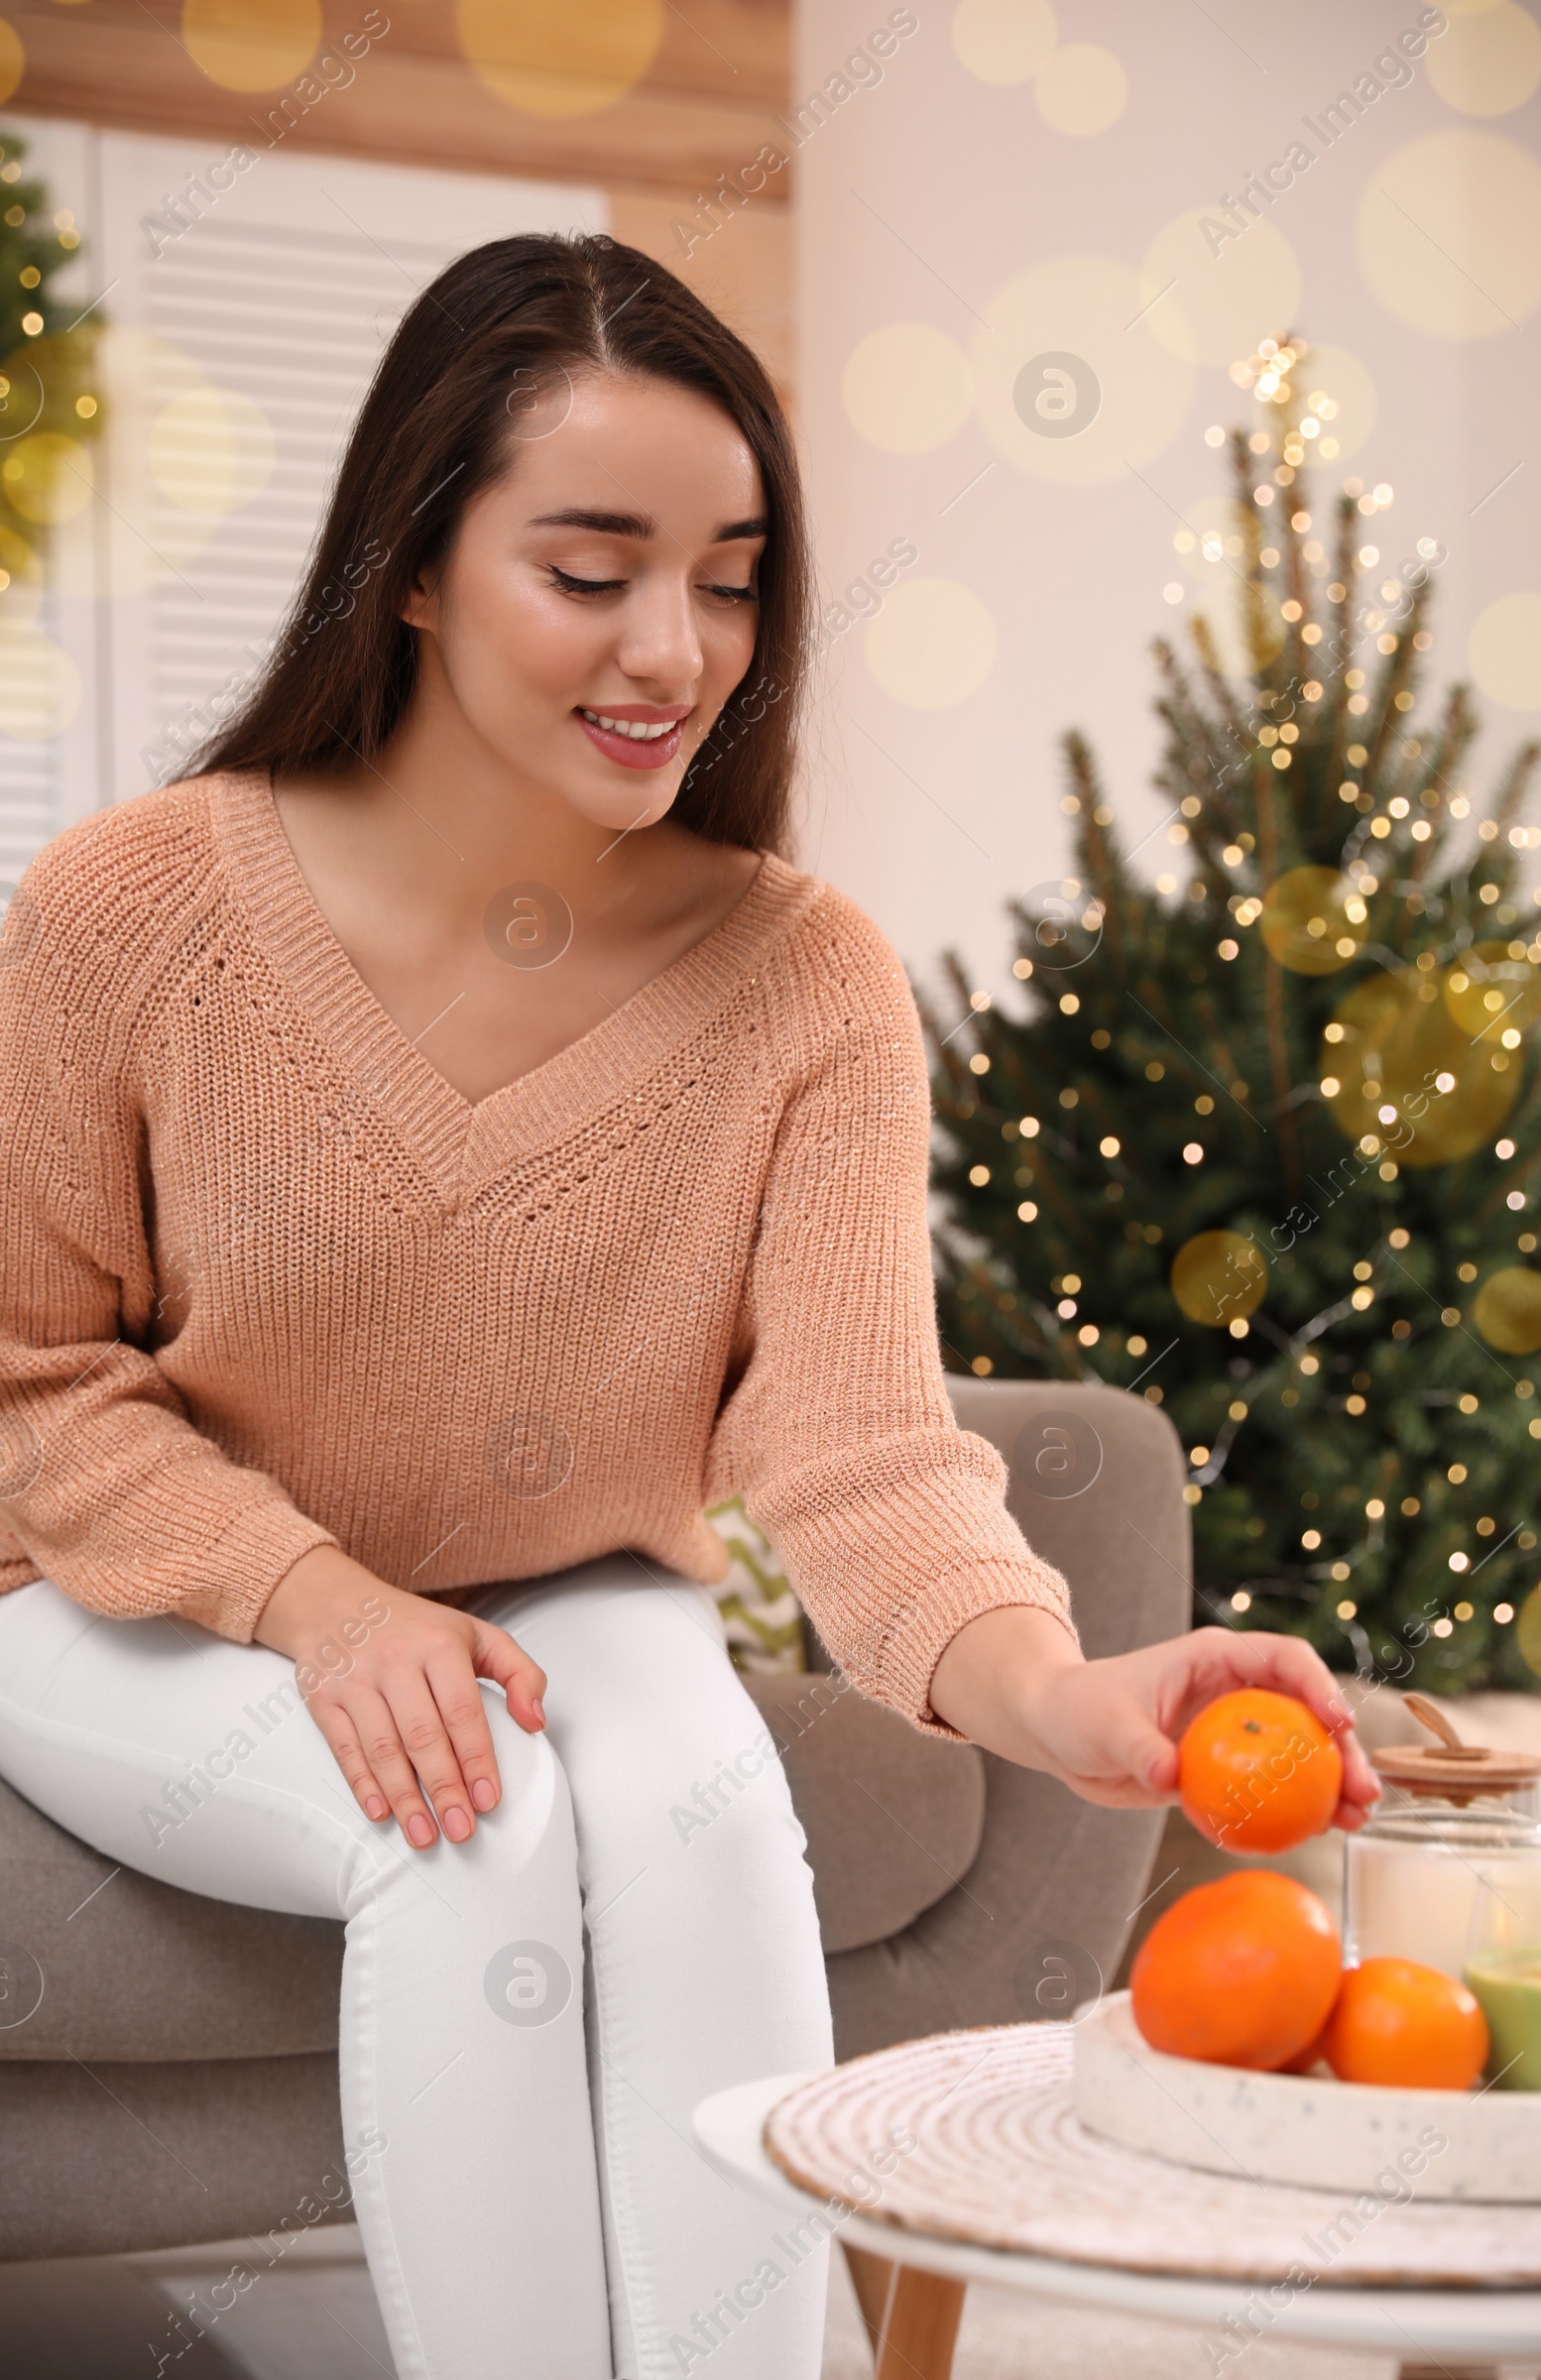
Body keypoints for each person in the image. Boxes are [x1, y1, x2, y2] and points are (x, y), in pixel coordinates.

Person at [0, 234, 1376, 2380]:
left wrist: (1059, 1688)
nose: (677, 646)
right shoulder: (130, 909)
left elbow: (855, 1445)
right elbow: (29, 1380)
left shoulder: (800, 978)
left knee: (702, 1807)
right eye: (593, 566)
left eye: (728, 576)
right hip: (126, 1603)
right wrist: (313, 1601)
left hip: (562, 1583)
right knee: (459, 1831)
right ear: (420, 566)